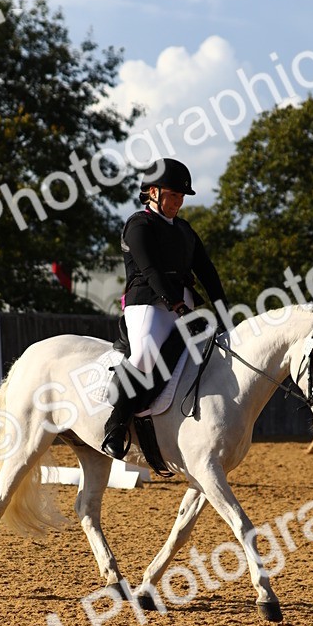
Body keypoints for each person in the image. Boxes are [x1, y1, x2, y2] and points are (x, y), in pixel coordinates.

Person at [101, 157, 228, 459]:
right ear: (153, 192)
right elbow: (151, 271)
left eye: (181, 196)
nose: (178, 202)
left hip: (183, 304)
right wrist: (180, 309)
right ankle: (116, 425)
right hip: (148, 303)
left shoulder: (184, 229)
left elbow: (207, 272)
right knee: (144, 355)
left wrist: (224, 310)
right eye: (173, 195)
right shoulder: (138, 225)